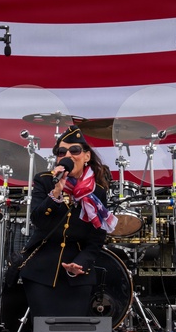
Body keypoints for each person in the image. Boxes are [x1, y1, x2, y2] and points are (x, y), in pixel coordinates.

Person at [18, 125, 117, 320]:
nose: (68, 155)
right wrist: (56, 193)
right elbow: (38, 220)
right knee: (45, 331)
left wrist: (80, 264)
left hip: (76, 275)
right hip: (42, 270)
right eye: (62, 152)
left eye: (75, 151)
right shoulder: (45, 181)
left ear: (86, 156)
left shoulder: (97, 193)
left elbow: (97, 238)